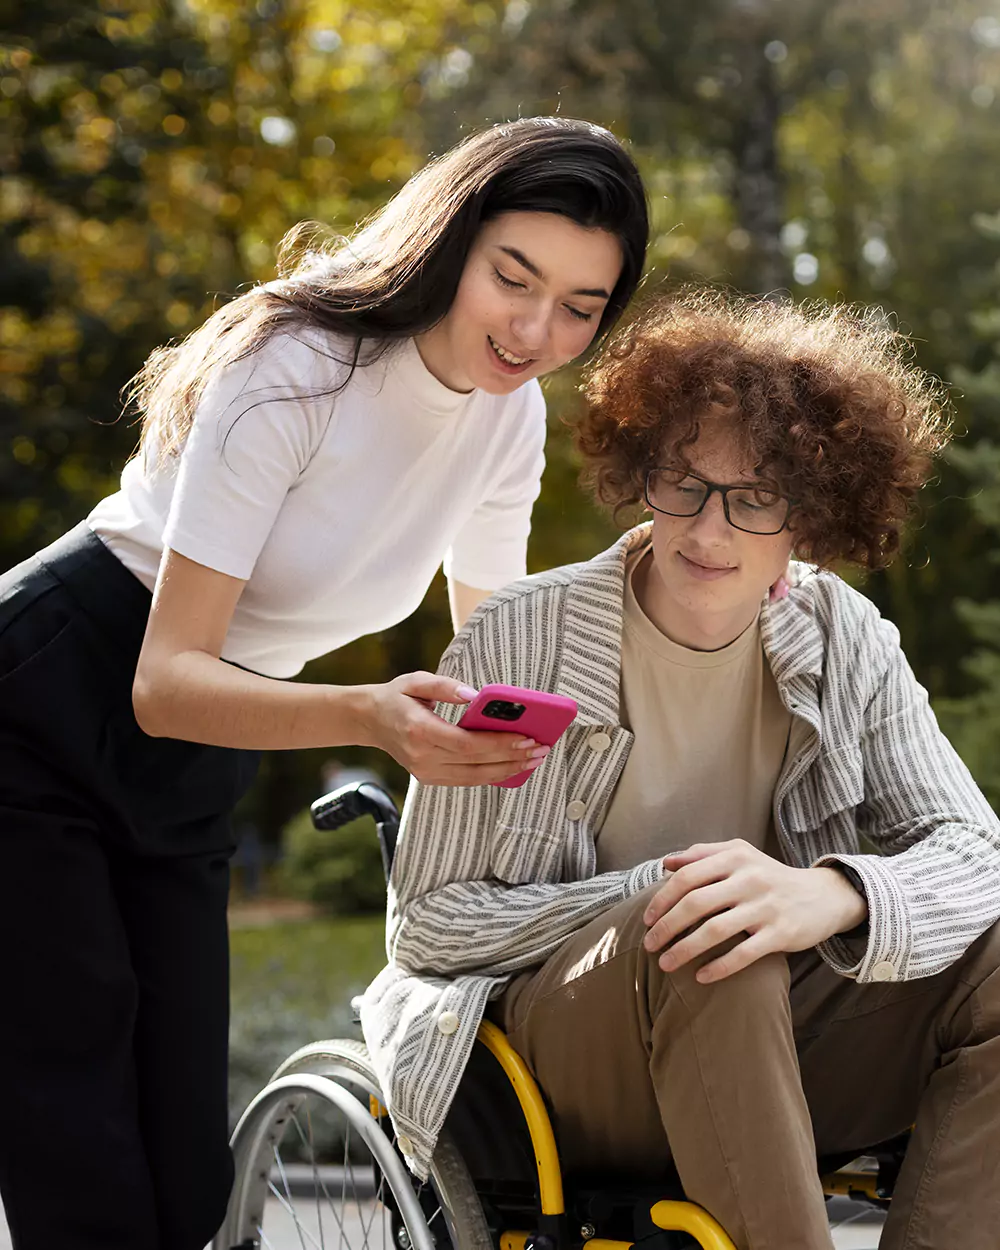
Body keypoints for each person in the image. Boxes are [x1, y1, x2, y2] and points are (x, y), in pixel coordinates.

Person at [0, 116, 649, 1250]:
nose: (538, 328)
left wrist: (684, 575)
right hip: (52, 689)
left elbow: (496, 641)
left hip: (209, 731)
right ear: (451, 237)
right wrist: (367, 714)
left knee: (186, 1158)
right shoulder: (297, 362)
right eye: (515, 277)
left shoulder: (508, 420)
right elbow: (165, 677)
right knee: (77, 1117)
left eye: (581, 307)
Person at [362, 289, 1000, 1250]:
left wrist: (835, 895)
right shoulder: (521, 633)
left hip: (775, 1048)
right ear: (643, 475)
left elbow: (976, 852)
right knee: (708, 931)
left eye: (756, 500)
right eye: (685, 483)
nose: (709, 531)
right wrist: (655, 889)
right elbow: (429, 923)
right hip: (559, 1068)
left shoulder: (844, 636)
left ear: (812, 518)